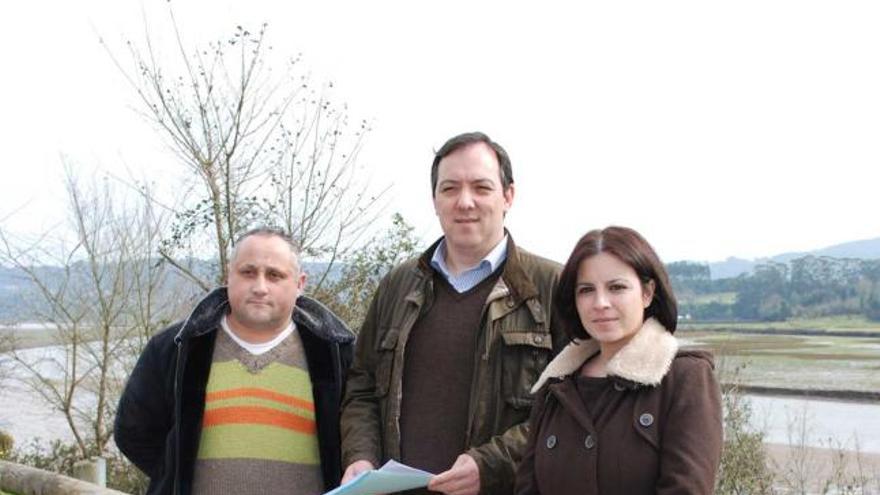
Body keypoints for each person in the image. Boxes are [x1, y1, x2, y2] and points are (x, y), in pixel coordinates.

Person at [340, 132, 565, 495]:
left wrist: (491, 465)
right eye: (450, 189)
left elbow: (571, 408)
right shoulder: (398, 286)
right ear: (434, 200)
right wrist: (361, 456)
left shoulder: (552, 287)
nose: (465, 202)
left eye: (481, 187)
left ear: (508, 196)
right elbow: (362, 388)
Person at [114, 228, 355, 495]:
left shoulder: (336, 355)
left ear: (300, 284)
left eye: (275, 275)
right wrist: (177, 474)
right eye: (248, 272)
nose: (260, 287)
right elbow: (133, 433)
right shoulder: (176, 348)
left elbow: (356, 439)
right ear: (229, 275)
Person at [514, 226, 723, 495]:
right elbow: (526, 487)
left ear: (647, 293)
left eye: (617, 287)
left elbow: (686, 489)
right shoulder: (556, 383)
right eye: (586, 290)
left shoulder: (685, 378)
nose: (600, 302)